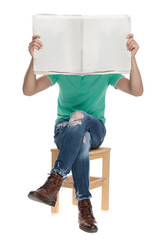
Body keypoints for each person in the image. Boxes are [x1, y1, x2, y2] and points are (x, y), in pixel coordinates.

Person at [23, 33, 143, 233]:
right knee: (82, 142)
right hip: (64, 129)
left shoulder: (104, 72)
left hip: (95, 128)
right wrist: (34, 59)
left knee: (80, 118)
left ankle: (55, 179)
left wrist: (132, 58)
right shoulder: (62, 71)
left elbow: (136, 91)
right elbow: (29, 90)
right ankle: (84, 207)